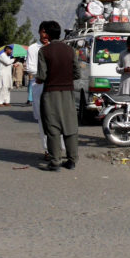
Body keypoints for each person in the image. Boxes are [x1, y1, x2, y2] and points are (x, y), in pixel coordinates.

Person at [36, 21, 80, 171]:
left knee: (53, 127)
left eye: (42, 32)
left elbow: (41, 76)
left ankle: (55, 162)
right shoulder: (70, 50)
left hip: (51, 93)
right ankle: (72, 160)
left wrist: (38, 78)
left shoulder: (44, 51)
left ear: (47, 34)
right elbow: (77, 73)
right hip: (68, 92)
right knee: (70, 126)